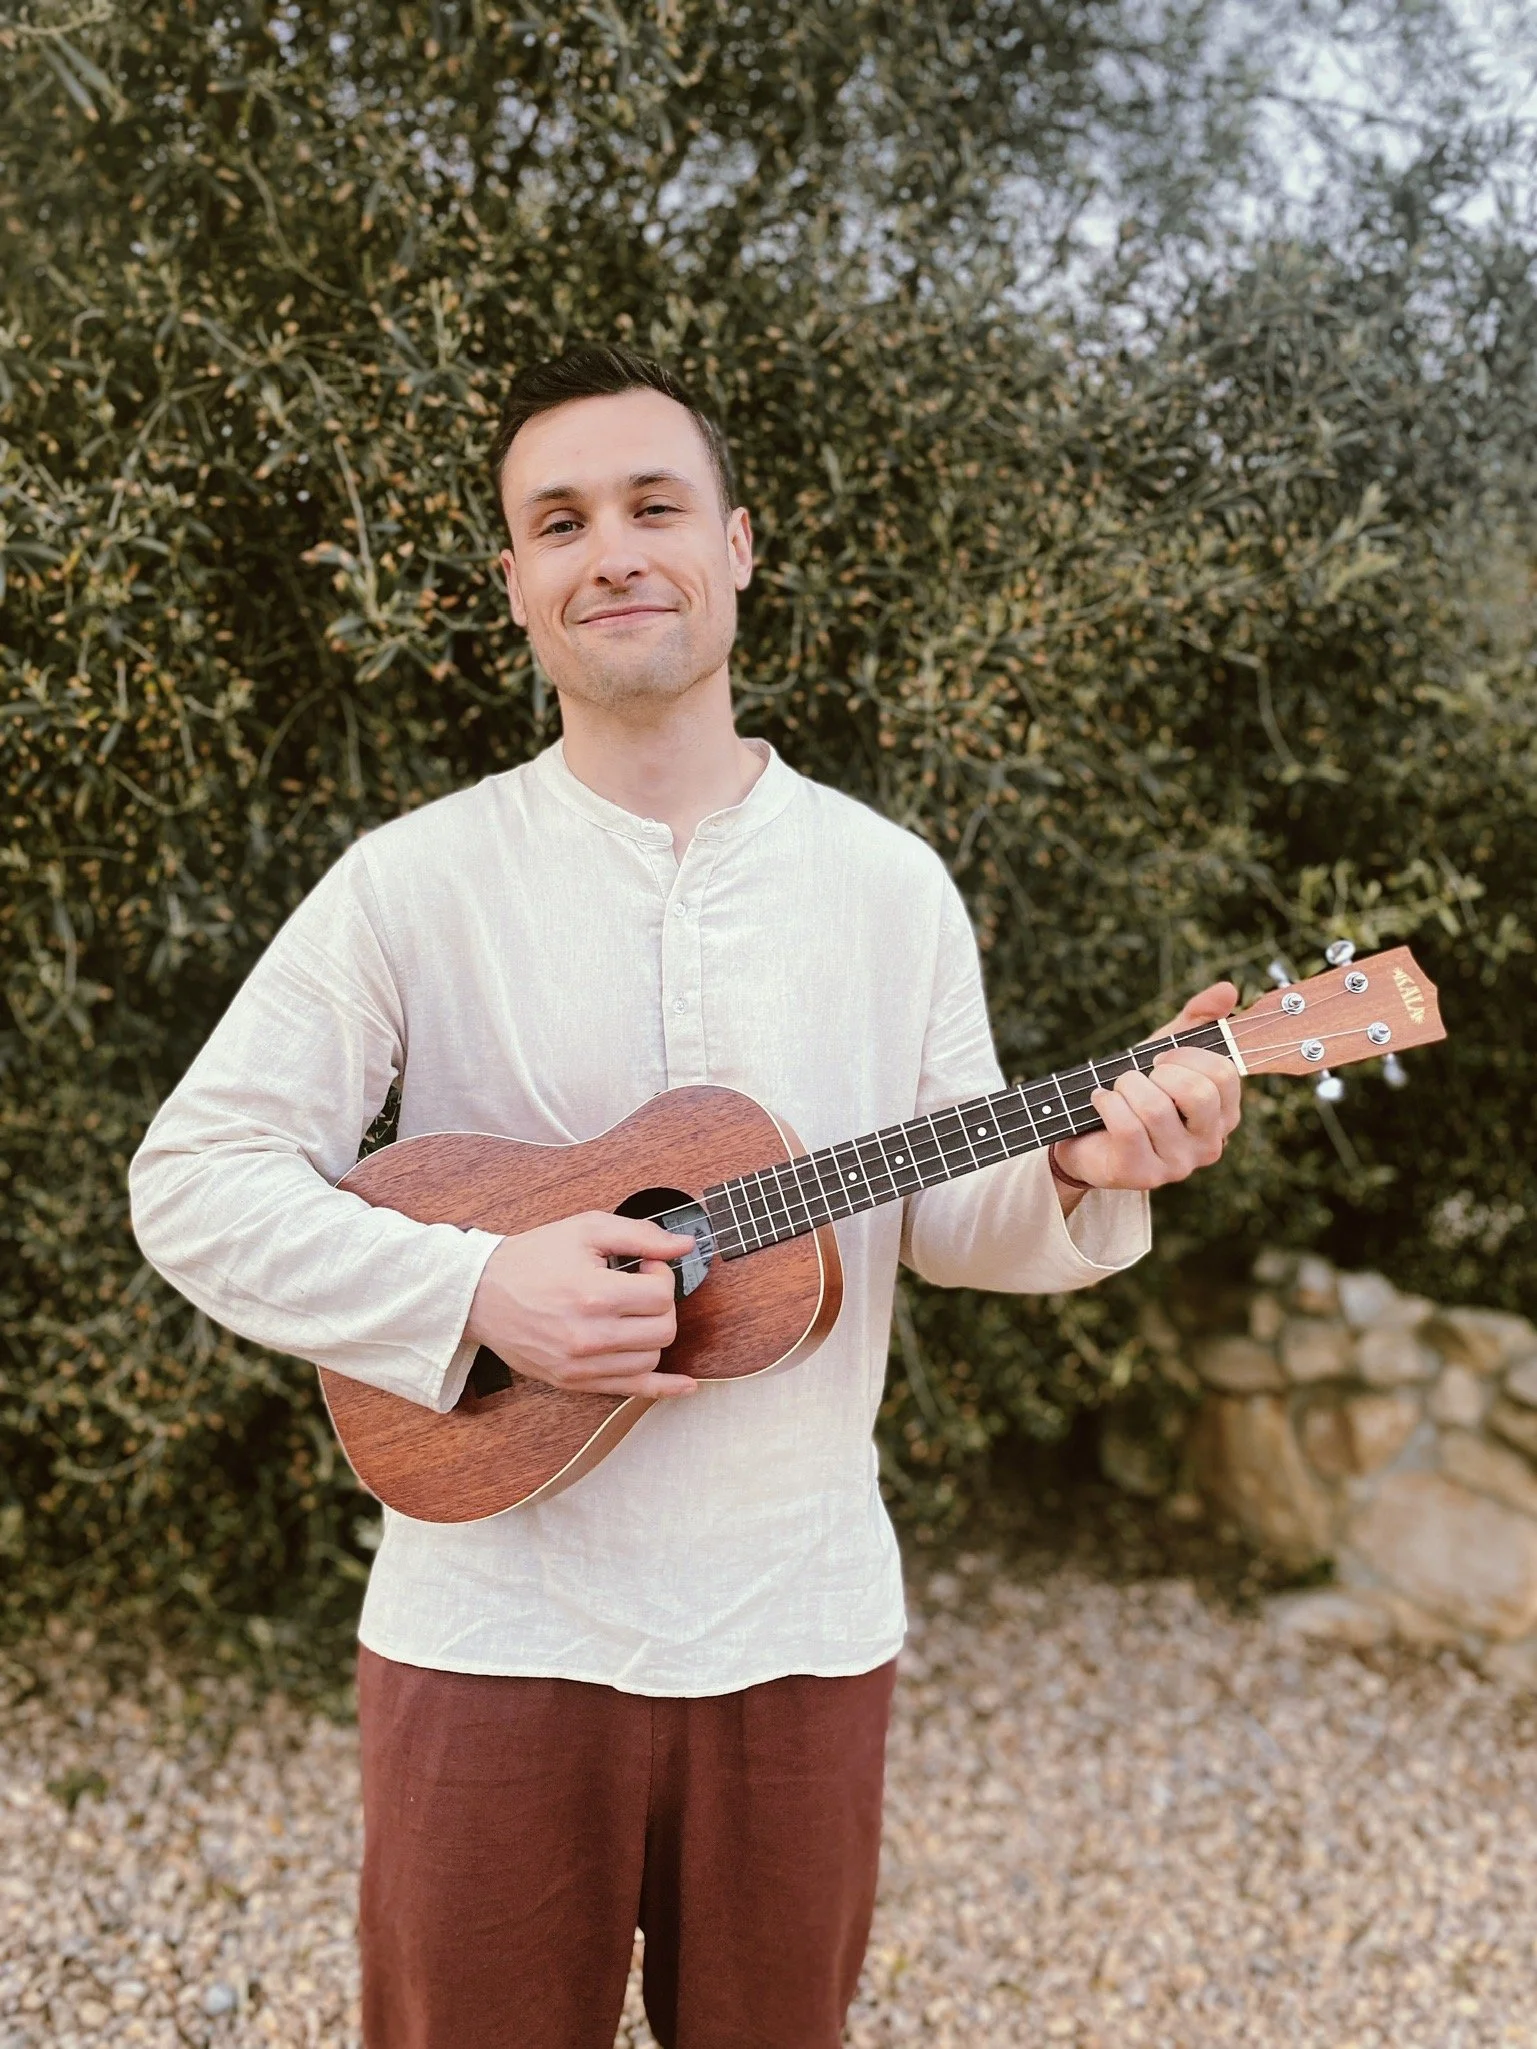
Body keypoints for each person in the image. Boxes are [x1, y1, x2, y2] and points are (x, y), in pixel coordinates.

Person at [129, 342, 1243, 2049]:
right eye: (560, 521)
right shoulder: (408, 885)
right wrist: (473, 1297)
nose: (614, 550)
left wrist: (1086, 1162)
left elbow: (948, 1215)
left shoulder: (887, 884)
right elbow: (192, 1181)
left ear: (738, 544)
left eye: (657, 505)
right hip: (487, 1628)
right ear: (516, 585)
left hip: (795, 1624)